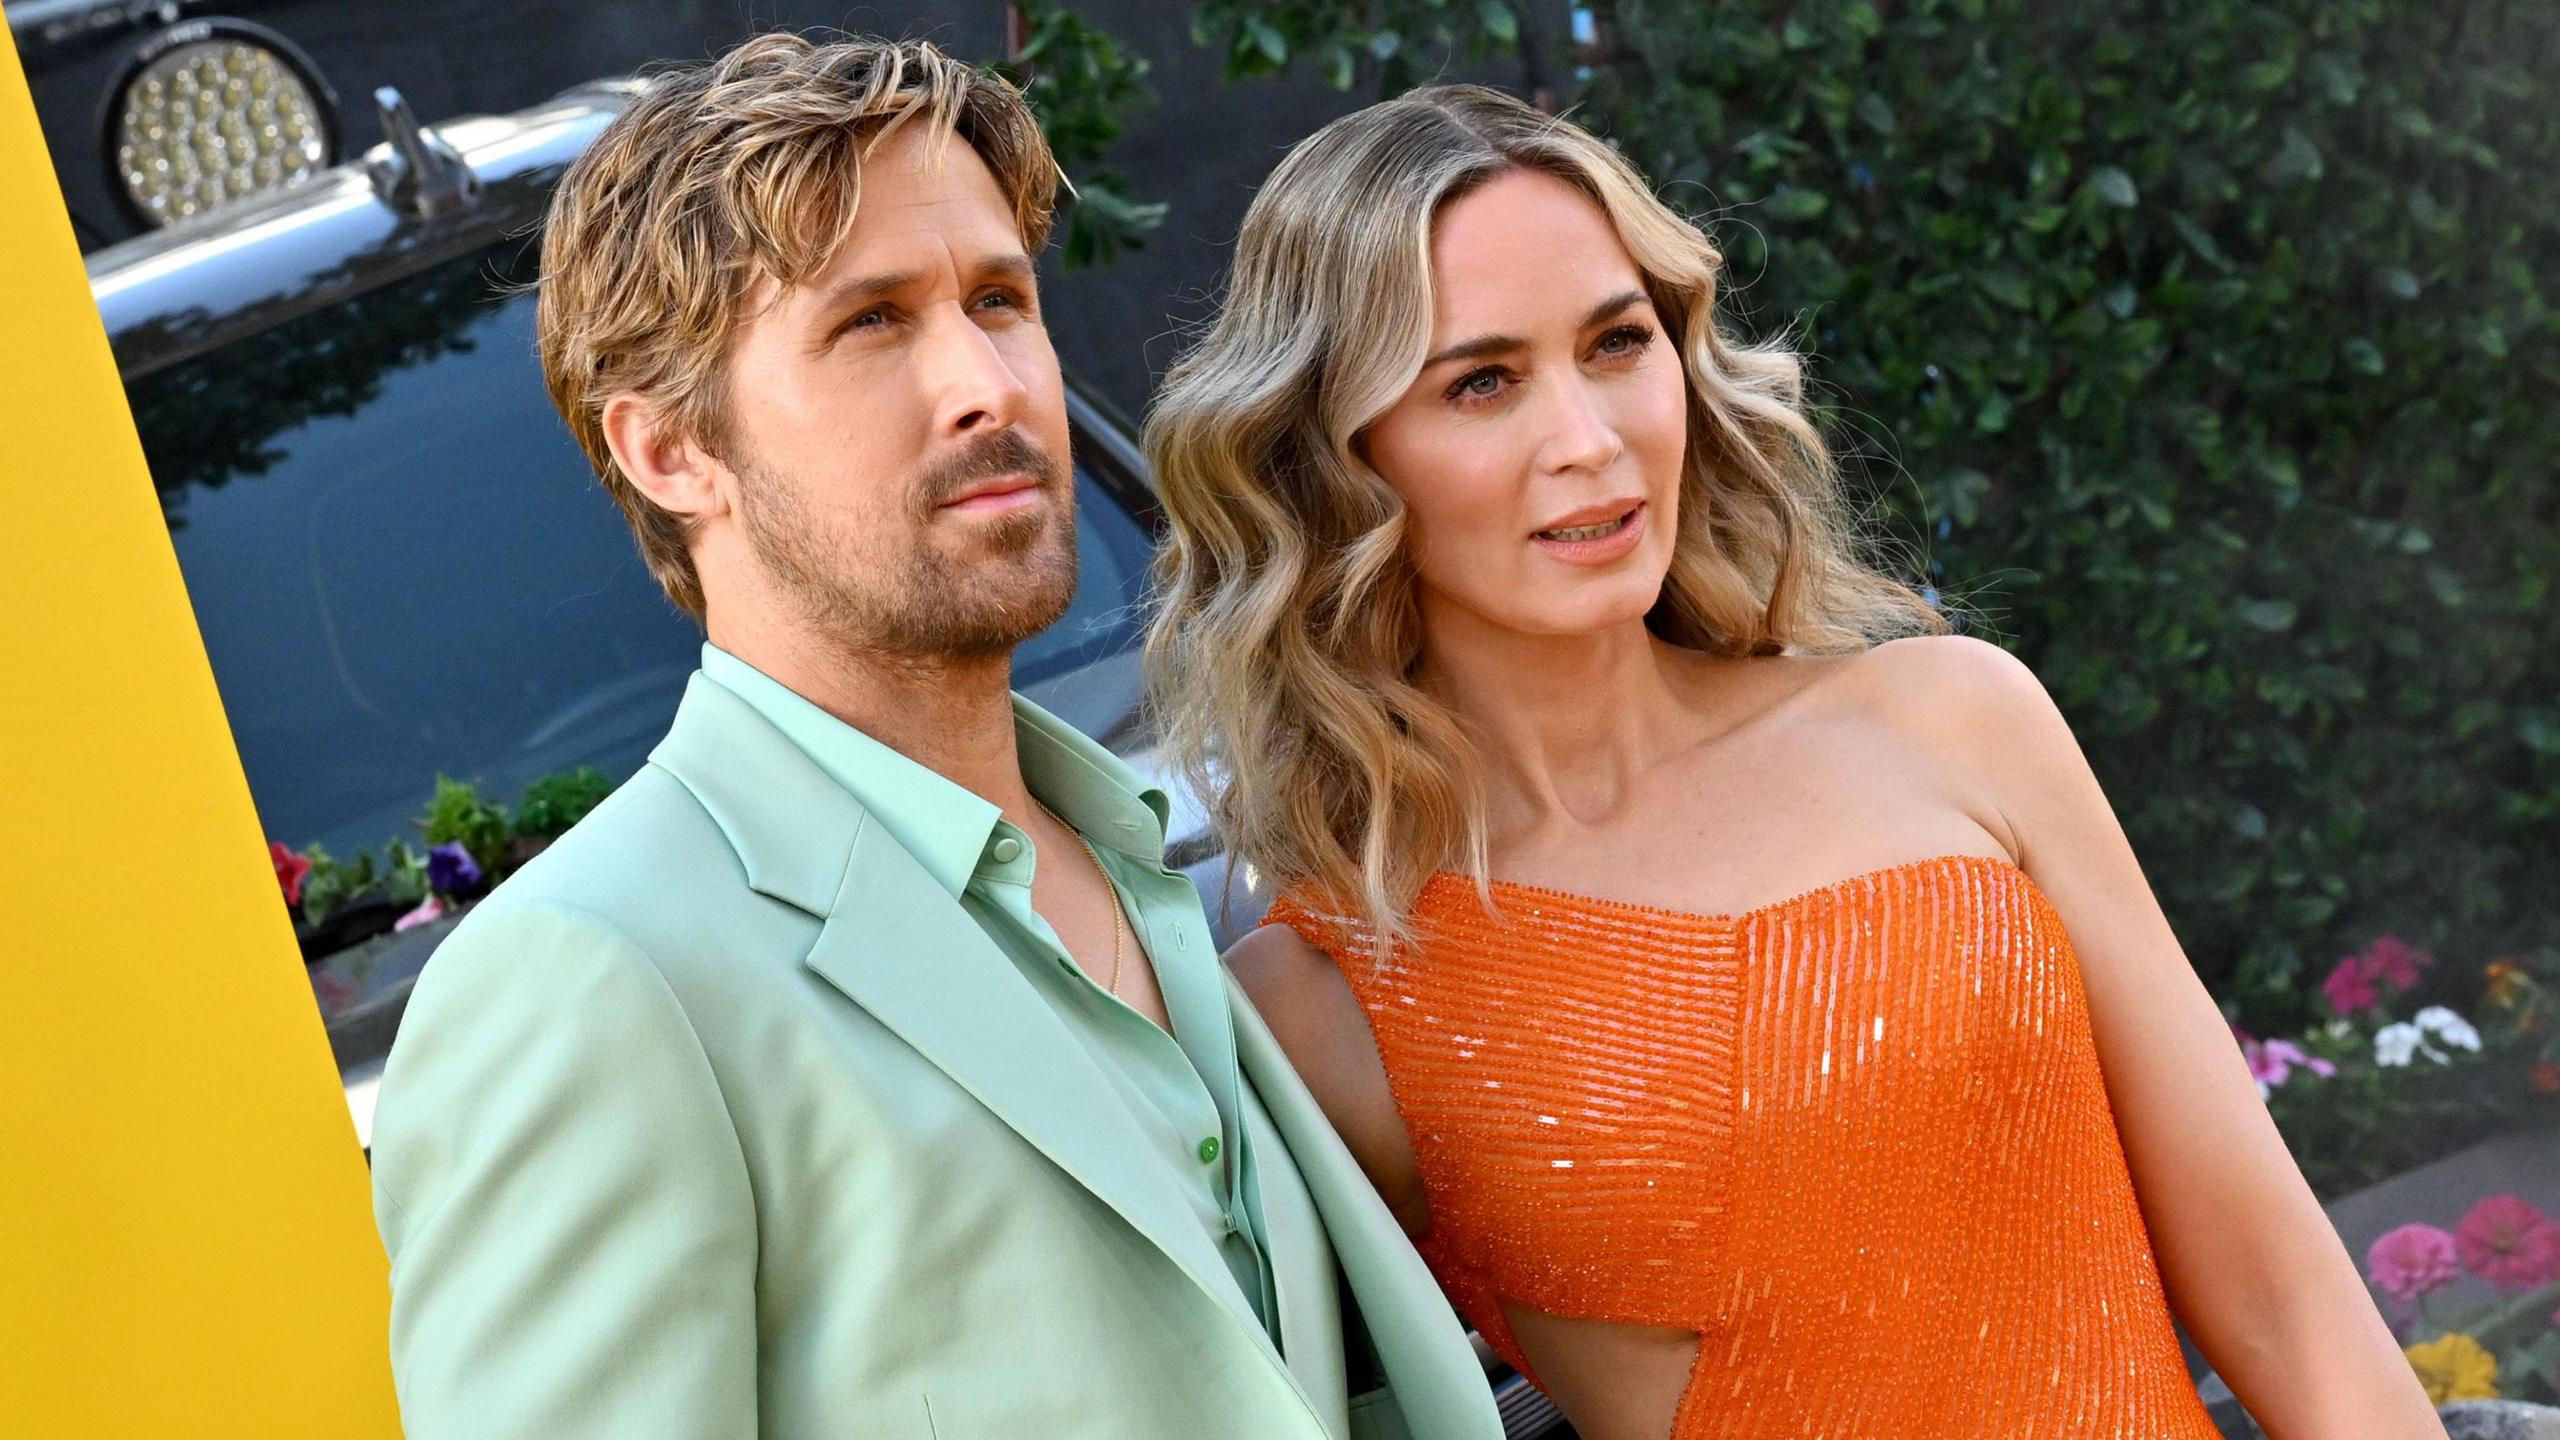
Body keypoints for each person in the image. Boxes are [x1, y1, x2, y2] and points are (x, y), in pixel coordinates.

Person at [1142, 84, 2441, 1440]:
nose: (1588, 440)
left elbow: (2292, 1309)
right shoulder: (1321, 1001)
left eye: (1617, 343)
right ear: (1331, 463)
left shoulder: (1947, 722)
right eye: (1481, 382)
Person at [366, 35, 1504, 1440]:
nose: (987, 382)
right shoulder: (589, 980)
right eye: (873, 322)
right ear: (670, 452)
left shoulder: (1147, 847)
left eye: (1000, 299)